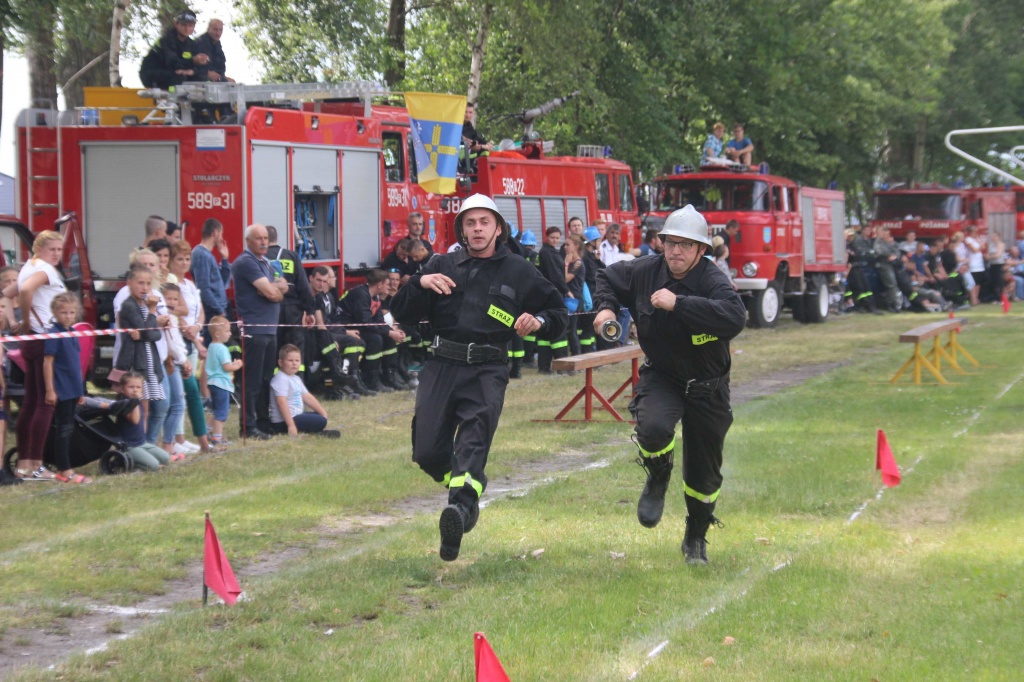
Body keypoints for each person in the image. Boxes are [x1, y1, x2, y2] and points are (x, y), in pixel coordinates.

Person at [390, 194, 567, 561]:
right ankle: (466, 490)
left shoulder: (518, 270)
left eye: (485, 222)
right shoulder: (441, 265)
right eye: (470, 223)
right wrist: (420, 283)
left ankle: (460, 507)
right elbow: (401, 312)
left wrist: (539, 321)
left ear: (498, 228)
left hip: (487, 370)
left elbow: (558, 312)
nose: (477, 229)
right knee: (426, 452)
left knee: (472, 441)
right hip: (440, 366)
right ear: (462, 230)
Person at [594, 205, 746, 565]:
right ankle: (658, 476)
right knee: (652, 428)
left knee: (704, 476)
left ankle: (696, 536)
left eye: (685, 245)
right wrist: (606, 309)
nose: (676, 251)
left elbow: (735, 317)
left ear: (701, 249)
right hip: (663, 376)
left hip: (708, 386)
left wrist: (679, 304)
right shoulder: (646, 270)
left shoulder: (713, 281)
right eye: (670, 243)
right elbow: (607, 277)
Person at [13, 231, 67, 480]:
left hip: (33, 339)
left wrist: (16, 320)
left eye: (59, 249)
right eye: (52, 249)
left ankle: (24, 463)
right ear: (39, 249)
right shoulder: (45, 270)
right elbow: (24, 290)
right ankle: (35, 464)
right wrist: (24, 321)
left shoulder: (28, 267)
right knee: (45, 402)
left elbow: (8, 292)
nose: (56, 254)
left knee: (30, 402)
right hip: (45, 338)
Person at [231, 224, 288, 439]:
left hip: (269, 328)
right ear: (248, 241)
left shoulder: (265, 262)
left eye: (265, 238)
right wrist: (273, 290)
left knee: (266, 379)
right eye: (258, 238)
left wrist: (273, 289)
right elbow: (273, 294)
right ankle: (247, 426)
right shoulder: (246, 262)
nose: (264, 242)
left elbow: (283, 287)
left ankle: (264, 422)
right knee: (251, 381)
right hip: (254, 329)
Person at [113, 264, 167, 437]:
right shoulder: (129, 306)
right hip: (136, 362)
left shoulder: (144, 306)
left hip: (149, 361)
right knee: (137, 407)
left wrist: (145, 332)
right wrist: (152, 312)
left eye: (148, 284)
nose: (144, 288)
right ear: (130, 283)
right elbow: (149, 331)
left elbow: (155, 334)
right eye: (140, 283)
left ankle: (142, 441)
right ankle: (135, 441)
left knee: (146, 408)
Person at [42, 293, 91, 484]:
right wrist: (50, 389)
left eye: (72, 312)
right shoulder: (54, 334)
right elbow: (48, 362)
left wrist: (80, 390)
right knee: (63, 429)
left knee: (68, 428)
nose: (68, 316)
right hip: (61, 389)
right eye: (64, 312)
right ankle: (64, 469)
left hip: (73, 389)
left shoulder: (72, 333)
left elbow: (76, 364)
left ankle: (64, 464)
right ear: (55, 312)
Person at [168, 240, 211, 453]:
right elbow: (177, 314)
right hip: (181, 339)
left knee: (187, 390)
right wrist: (192, 335)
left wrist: (198, 327)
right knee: (183, 391)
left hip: (194, 336)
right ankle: (177, 438)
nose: (184, 263)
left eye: (187, 259)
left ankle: (182, 437)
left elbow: (200, 311)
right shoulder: (170, 284)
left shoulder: (190, 284)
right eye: (180, 259)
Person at [337, 269, 407, 392]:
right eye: (387, 284)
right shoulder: (360, 294)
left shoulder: (375, 296)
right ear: (379, 285)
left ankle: (389, 376)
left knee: (388, 338)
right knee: (375, 339)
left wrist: (392, 331)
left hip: (361, 327)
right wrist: (389, 332)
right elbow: (365, 322)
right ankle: (371, 379)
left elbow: (379, 320)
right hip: (346, 329)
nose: (389, 287)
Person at [266, 225, 316, 368]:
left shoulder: (260, 257)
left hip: (271, 308)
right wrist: (309, 311)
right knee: (295, 348)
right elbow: (303, 286)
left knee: (273, 348)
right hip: (293, 310)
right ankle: (297, 379)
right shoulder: (291, 255)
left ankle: (273, 379)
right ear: (276, 238)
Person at [269, 344, 339, 437]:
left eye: (297, 360)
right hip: (283, 422)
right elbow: (281, 402)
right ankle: (312, 432)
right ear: (280, 362)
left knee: (319, 416)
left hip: (296, 415)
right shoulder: (281, 379)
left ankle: (311, 430)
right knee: (321, 421)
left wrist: (323, 412)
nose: (294, 363)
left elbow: (307, 397)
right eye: (290, 360)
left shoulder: (295, 378)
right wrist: (291, 425)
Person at [139, 9, 209, 90]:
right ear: (176, 24)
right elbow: (172, 63)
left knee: (201, 78)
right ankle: (170, 97)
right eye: (183, 25)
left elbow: (202, 67)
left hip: (173, 72)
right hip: (152, 73)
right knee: (179, 78)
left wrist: (192, 71)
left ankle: (193, 98)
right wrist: (193, 60)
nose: (187, 28)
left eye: (190, 26)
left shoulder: (191, 43)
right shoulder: (167, 40)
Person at [117, 372, 171, 471]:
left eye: (138, 387)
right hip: (129, 446)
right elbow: (135, 420)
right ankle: (129, 464)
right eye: (131, 387)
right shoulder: (124, 403)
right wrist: (136, 401)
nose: (135, 390)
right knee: (154, 465)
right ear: (122, 389)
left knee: (165, 458)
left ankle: (144, 460)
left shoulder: (136, 402)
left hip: (141, 443)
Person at [192, 218, 232, 343]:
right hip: (212, 313)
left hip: (216, 311)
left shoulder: (207, 255)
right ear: (215, 232)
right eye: (221, 233)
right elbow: (203, 288)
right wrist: (219, 310)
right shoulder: (202, 255)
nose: (221, 238)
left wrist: (224, 259)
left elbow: (221, 282)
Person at [536, 227, 570, 373]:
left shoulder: (552, 251)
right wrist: (566, 290)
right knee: (558, 327)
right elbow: (555, 275)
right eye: (552, 238)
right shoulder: (546, 252)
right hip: (552, 294)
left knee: (547, 329)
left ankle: (544, 366)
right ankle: (561, 367)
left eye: (557, 238)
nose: (555, 240)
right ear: (546, 237)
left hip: (548, 294)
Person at [205, 316, 241, 448]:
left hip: (212, 382)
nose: (230, 334)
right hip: (221, 384)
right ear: (217, 334)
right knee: (222, 412)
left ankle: (206, 431)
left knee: (215, 410)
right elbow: (226, 367)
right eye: (227, 331)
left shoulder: (211, 346)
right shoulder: (222, 349)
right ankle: (217, 437)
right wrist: (236, 365)